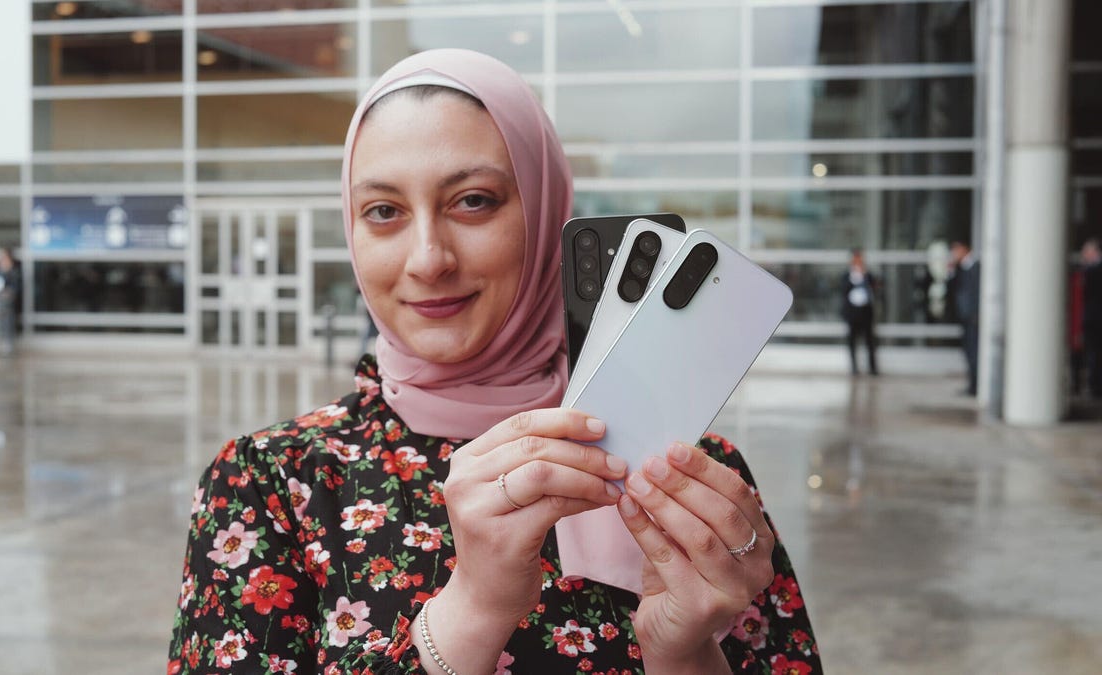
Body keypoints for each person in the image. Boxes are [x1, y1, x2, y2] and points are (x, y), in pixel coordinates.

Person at [168, 50, 820, 675]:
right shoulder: (271, 485)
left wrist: (684, 656)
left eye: (473, 200)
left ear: (543, 210)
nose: (428, 258)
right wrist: (471, 611)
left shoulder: (695, 480)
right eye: (384, 211)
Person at [946, 240, 980, 396]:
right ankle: (972, 385)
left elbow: (977, 293)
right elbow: (952, 289)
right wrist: (951, 271)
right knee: (968, 352)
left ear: (964, 249)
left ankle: (975, 387)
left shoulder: (977, 268)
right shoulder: (961, 269)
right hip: (965, 318)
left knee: (974, 353)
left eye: (956, 250)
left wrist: (976, 314)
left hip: (973, 319)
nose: (954, 255)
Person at [840, 248, 879, 375]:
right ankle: (854, 368)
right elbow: (843, 291)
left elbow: (875, 289)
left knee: (870, 342)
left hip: (866, 313)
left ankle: (873, 369)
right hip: (852, 314)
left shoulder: (868, 275)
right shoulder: (847, 275)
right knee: (852, 342)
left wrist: (863, 276)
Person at [1081, 238, 1102, 398]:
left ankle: (1094, 386)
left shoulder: (1091, 271)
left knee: (1093, 353)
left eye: (1086, 251)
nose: (1083, 254)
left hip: (1094, 318)